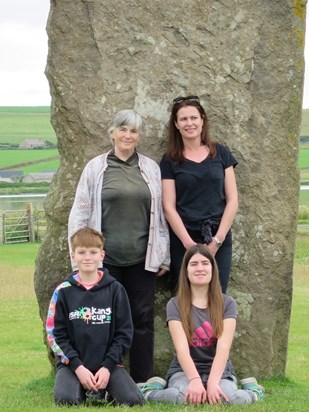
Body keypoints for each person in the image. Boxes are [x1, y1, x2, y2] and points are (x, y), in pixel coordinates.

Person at [68, 109, 170, 383]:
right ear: (112, 133)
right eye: (122, 129)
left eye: (134, 131)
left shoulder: (150, 168)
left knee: (142, 321)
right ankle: (102, 380)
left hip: (142, 259)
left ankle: (142, 381)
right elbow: (80, 212)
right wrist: (78, 257)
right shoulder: (95, 168)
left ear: (139, 137)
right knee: (103, 322)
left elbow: (161, 214)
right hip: (105, 262)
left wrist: (164, 255)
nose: (128, 135)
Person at [138, 244, 265, 405]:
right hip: (183, 372)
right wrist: (195, 380)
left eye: (205, 263)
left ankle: (253, 391)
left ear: (213, 269)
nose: (200, 268)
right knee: (184, 397)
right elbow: (181, 349)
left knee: (226, 398)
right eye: (194, 264)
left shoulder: (228, 303)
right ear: (186, 271)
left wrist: (212, 382)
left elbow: (223, 348)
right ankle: (150, 391)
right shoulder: (175, 304)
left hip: (220, 372)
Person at [46, 227, 143, 406]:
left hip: (108, 365)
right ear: (72, 256)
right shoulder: (63, 292)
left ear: (102, 255)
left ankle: (104, 391)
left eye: (93, 252)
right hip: (73, 366)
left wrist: (107, 366)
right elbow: (54, 335)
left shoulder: (115, 290)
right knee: (66, 401)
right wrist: (77, 366)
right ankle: (82, 390)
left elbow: (124, 334)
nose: (87, 257)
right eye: (81, 252)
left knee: (133, 401)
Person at [160, 95, 238, 293]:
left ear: (202, 120)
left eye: (193, 118)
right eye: (183, 119)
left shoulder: (220, 153)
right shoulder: (170, 160)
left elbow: (233, 200)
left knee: (217, 297)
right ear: (176, 124)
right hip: (183, 239)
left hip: (218, 237)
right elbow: (168, 207)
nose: (189, 123)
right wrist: (189, 244)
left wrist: (217, 241)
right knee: (184, 299)